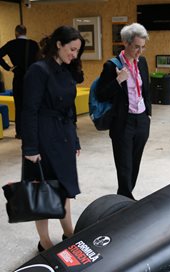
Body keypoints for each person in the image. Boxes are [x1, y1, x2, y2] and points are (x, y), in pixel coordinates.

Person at [21, 25, 85, 252]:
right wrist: (30, 147)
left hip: (64, 136)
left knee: (64, 189)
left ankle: (69, 233)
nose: (74, 55)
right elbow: (29, 110)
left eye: (77, 51)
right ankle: (45, 242)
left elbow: (70, 109)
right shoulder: (38, 70)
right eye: (72, 49)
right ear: (58, 44)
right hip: (44, 138)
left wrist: (75, 140)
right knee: (44, 194)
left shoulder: (66, 71)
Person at [97, 23, 151, 200]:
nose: (139, 51)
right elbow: (101, 94)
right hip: (123, 121)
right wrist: (118, 80)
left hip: (141, 120)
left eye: (142, 47)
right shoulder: (111, 66)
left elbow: (146, 89)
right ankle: (125, 199)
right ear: (126, 43)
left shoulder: (142, 62)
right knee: (124, 165)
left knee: (135, 163)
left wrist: (147, 114)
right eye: (136, 47)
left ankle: (126, 196)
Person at [0, 25, 40, 139]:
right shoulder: (33, 44)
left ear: (16, 32)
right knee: (33, 105)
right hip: (32, 78)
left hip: (18, 78)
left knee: (19, 106)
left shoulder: (11, 44)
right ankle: (33, 129)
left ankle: (20, 132)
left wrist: (9, 68)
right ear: (26, 32)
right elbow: (40, 59)